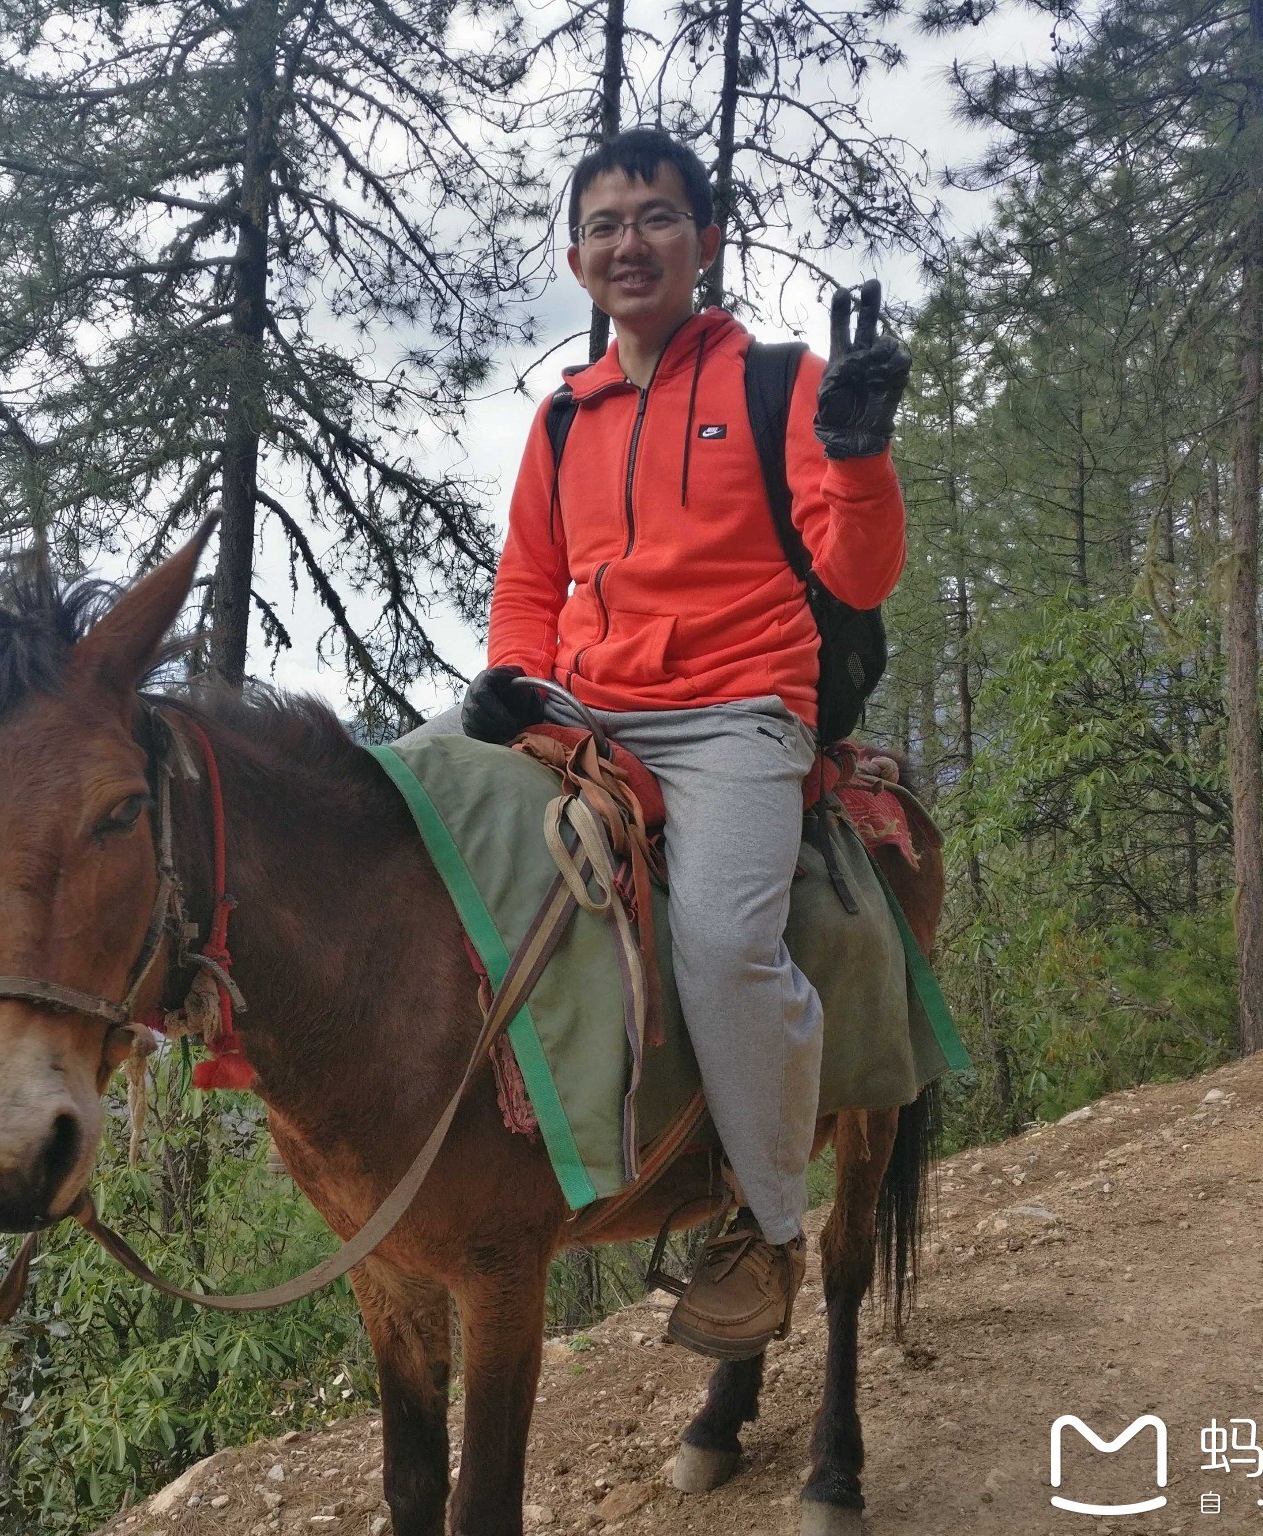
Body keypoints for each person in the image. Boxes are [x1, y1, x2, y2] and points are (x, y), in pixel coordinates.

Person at [461, 126, 911, 1360]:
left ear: (702, 242)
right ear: (574, 256)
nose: (629, 243)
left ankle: (765, 1224)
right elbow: (528, 582)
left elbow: (857, 573)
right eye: (604, 225)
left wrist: (859, 458)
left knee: (719, 941)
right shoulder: (560, 422)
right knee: (418, 819)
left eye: (656, 218)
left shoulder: (776, 383)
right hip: (583, 706)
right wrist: (510, 679)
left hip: (736, 711)